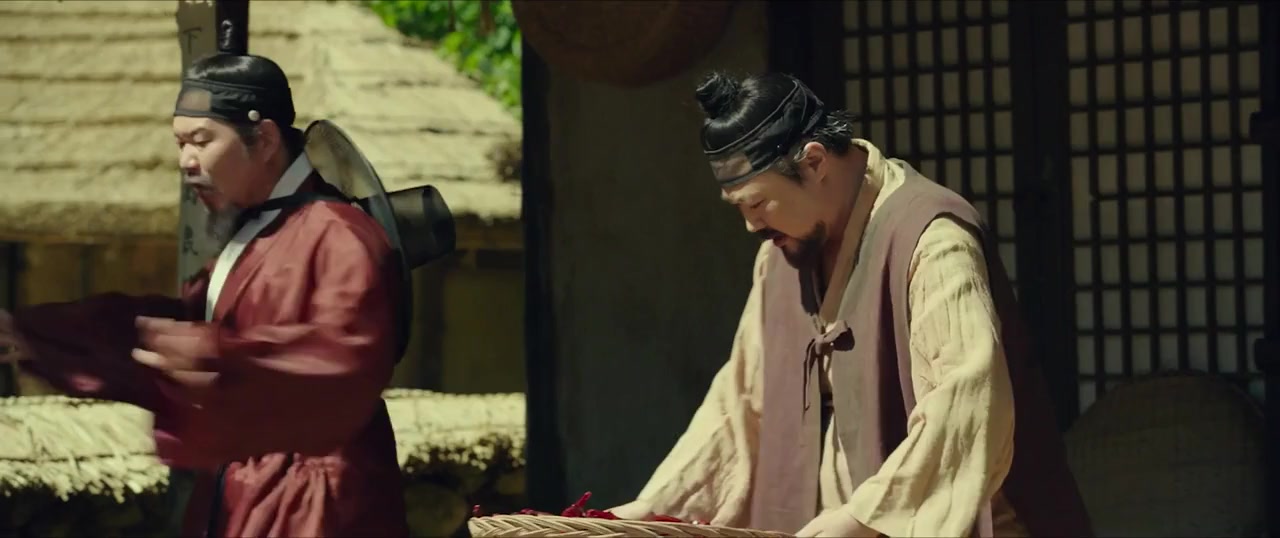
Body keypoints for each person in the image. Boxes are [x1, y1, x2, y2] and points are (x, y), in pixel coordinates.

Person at [608, 72, 1095, 538]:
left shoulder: (929, 239)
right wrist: (657, 507)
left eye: (757, 204)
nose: (751, 225)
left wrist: (866, 516)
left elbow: (966, 401)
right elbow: (740, 402)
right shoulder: (779, 256)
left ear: (815, 162)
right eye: (739, 208)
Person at [0, 54, 410, 537]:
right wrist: (35, 333)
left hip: (318, 506)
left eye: (201, 140)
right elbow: (177, 325)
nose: (186, 162)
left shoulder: (340, 234)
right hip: (246, 494)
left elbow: (343, 362)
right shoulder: (259, 233)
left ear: (265, 139)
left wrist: (211, 356)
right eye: (180, 143)